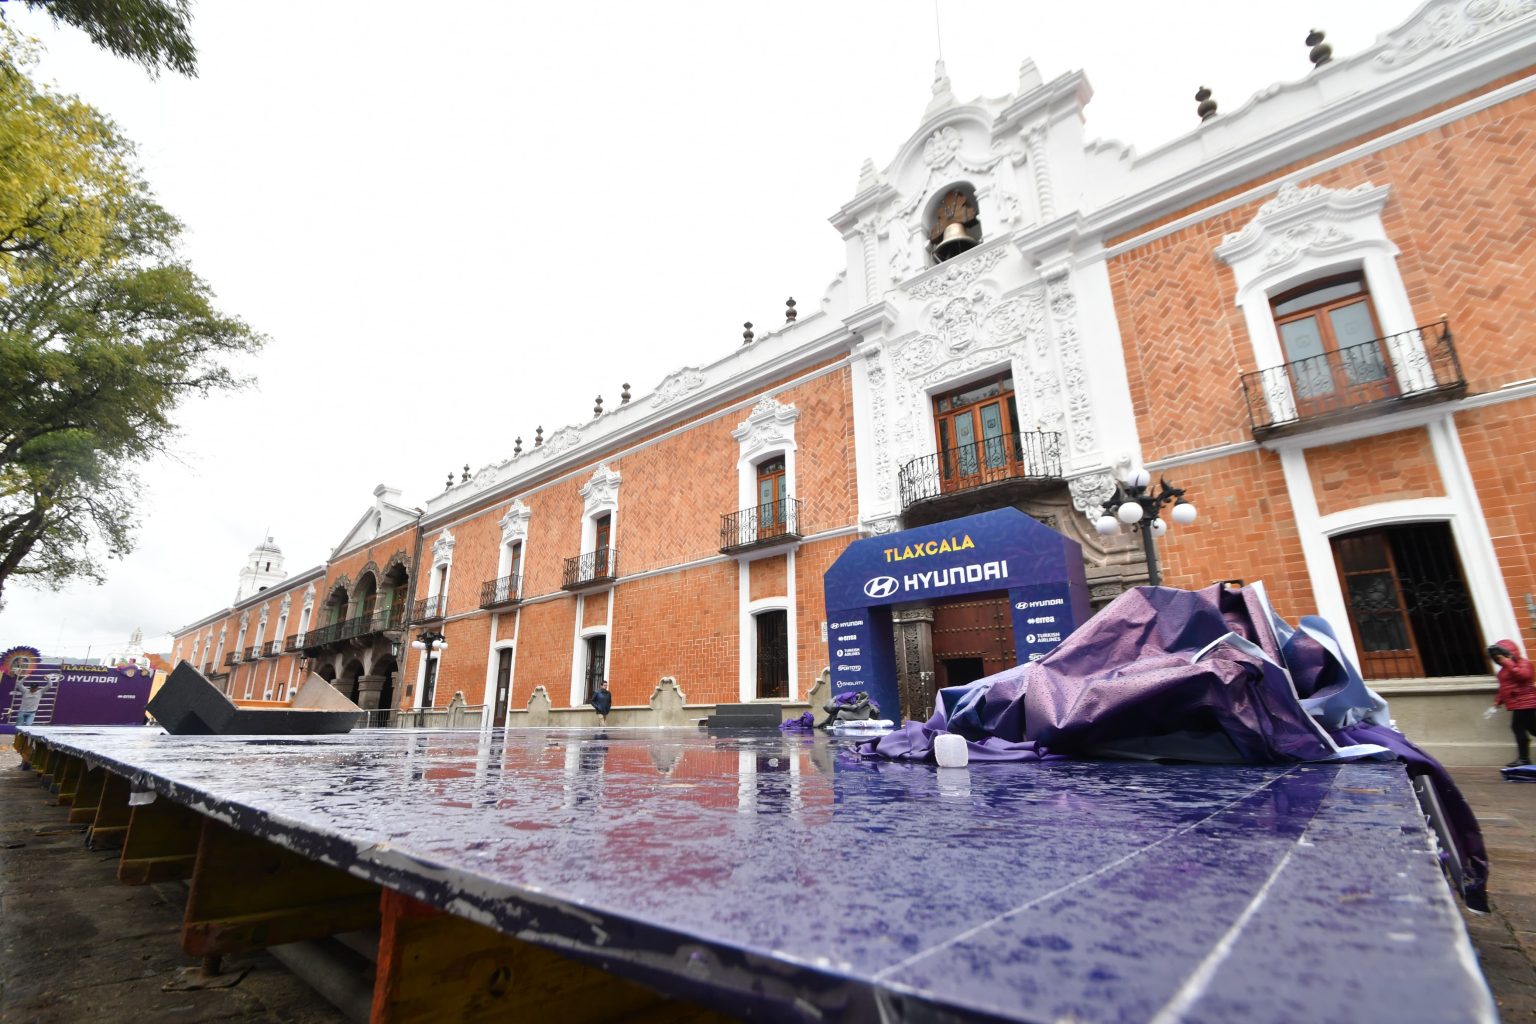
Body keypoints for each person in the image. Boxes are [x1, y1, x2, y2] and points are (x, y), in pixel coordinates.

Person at [1490, 639, 1536, 767]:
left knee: (1518, 727)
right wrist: (1498, 701)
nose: (1499, 661)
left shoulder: (1524, 663)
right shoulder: (1503, 671)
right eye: (1496, 659)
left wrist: (1508, 662)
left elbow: (1523, 676)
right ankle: (1524, 758)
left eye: (1499, 657)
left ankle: (1524, 758)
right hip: (1517, 703)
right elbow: (1504, 687)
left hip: (1526, 702)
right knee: (1530, 728)